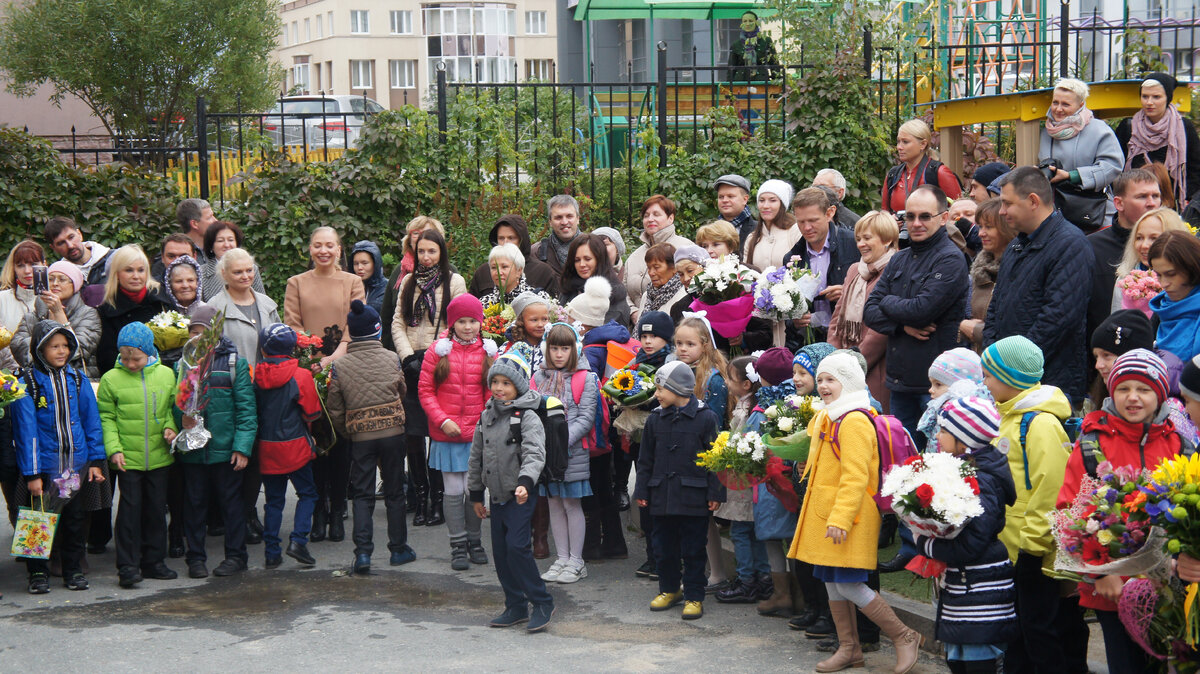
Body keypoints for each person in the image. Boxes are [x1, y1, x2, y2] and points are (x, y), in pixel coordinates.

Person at [788, 351, 923, 674]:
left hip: (847, 517)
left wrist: (841, 518)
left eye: (830, 379)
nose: (822, 385)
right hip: (827, 514)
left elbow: (856, 475)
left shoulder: (854, 420)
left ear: (848, 383)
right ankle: (850, 648)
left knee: (848, 584)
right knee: (833, 583)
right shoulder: (831, 415)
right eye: (820, 379)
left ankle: (904, 635)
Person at [1057, 350, 1181, 672]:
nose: (1133, 398)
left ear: (1161, 393)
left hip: (1168, 584)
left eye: (1144, 389)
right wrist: (1103, 572)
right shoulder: (1093, 442)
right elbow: (1071, 509)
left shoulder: (1178, 443)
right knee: (1126, 664)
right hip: (1113, 589)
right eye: (1123, 388)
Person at [982, 335, 1089, 674]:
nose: (984, 382)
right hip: (1010, 546)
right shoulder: (1008, 416)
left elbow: (1051, 489)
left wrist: (1032, 546)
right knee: (1019, 631)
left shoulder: (1038, 423)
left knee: (1039, 633)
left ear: (1010, 378)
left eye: (989, 374)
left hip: (1034, 552)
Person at [864, 185, 970, 443]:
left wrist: (888, 301)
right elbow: (869, 311)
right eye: (910, 216)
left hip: (936, 387)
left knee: (934, 463)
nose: (916, 223)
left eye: (925, 216)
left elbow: (921, 311)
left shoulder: (950, 259)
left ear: (944, 218)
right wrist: (902, 327)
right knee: (903, 460)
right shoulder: (899, 259)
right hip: (900, 382)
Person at [986, 166, 1097, 405]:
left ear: (1033, 201)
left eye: (1007, 203)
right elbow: (997, 305)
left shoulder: (1071, 245)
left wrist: (1012, 365)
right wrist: (992, 359)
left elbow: (1058, 317)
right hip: (1009, 380)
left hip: (1049, 385)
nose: (1002, 211)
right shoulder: (1018, 244)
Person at [924, 396, 1018, 674]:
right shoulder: (964, 469)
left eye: (943, 430)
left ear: (965, 440)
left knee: (978, 661)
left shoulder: (983, 480)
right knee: (958, 658)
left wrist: (925, 544)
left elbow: (972, 544)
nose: (937, 436)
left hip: (981, 585)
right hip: (965, 584)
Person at [13, 320, 107, 594]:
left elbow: (91, 421)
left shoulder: (77, 379)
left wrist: (96, 461)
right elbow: (26, 431)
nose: (62, 351)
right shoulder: (27, 382)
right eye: (54, 346)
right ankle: (38, 574)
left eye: (65, 345)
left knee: (74, 521)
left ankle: (73, 570)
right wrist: (32, 474)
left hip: (74, 467)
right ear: (39, 349)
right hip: (44, 468)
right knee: (37, 521)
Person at [284, 226, 365, 543]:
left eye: (329, 245)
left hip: (344, 366)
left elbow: (356, 324)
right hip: (309, 369)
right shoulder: (297, 283)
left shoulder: (352, 282)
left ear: (339, 249)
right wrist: (311, 359)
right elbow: (292, 324)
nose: (323, 250)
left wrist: (335, 357)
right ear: (310, 249)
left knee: (342, 441)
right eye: (317, 245)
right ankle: (318, 511)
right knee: (315, 440)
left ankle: (337, 513)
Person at [326, 300, 416, 574]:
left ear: (351, 334)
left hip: (361, 436)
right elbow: (401, 390)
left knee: (363, 495)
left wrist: (350, 430)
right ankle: (398, 549)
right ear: (378, 331)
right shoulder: (391, 357)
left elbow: (335, 407)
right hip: (392, 434)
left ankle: (363, 554)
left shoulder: (340, 366)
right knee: (394, 492)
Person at [469, 353, 556, 633]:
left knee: (518, 548)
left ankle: (542, 601)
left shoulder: (527, 416)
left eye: (506, 383)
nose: (499, 388)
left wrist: (526, 482)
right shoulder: (487, 415)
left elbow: (535, 453)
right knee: (502, 553)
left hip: (521, 494)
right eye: (494, 381)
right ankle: (515, 605)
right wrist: (474, 493)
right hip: (496, 496)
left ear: (518, 386)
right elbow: (476, 456)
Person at [635, 360, 724, 620]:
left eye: (661, 389)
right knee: (663, 546)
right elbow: (645, 459)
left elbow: (715, 458)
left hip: (693, 495)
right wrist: (642, 489)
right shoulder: (655, 419)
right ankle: (669, 589)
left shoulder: (705, 417)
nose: (657, 394)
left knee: (694, 548)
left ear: (678, 390)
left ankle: (694, 595)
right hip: (661, 494)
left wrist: (715, 493)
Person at [173, 305, 256, 579]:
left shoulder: (234, 364)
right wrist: (180, 418)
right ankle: (195, 558)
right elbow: (175, 405)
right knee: (194, 505)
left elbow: (246, 410)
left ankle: (236, 556)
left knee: (231, 506)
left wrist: (242, 448)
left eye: (204, 332)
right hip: (194, 452)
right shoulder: (183, 365)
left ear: (216, 334)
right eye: (193, 332)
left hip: (225, 451)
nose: (198, 338)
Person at [391, 229, 464, 528]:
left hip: (440, 361)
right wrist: (408, 357)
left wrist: (433, 356)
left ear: (441, 252)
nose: (426, 256)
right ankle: (419, 498)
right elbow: (397, 322)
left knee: (436, 433)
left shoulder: (453, 281)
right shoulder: (408, 281)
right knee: (413, 435)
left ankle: (438, 499)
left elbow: (457, 322)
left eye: (432, 251)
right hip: (410, 363)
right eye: (421, 251)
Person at [98, 322, 179, 588]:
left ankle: (154, 561)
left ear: (149, 353)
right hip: (128, 459)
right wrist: (114, 449)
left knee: (156, 510)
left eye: (137, 359)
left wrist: (170, 426)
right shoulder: (111, 379)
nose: (131, 364)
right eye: (125, 358)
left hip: (159, 456)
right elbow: (106, 418)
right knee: (129, 512)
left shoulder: (166, 374)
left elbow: (171, 407)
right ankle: (128, 566)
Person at [419, 294, 495, 571]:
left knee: (473, 488)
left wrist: (483, 423)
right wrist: (441, 420)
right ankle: (457, 544)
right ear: (452, 324)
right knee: (452, 489)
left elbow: (492, 392)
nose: (467, 327)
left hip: (476, 434)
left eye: (472, 321)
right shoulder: (437, 351)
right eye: (461, 321)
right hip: (447, 433)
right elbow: (426, 391)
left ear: (480, 322)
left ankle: (475, 541)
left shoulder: (487, 352)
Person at [252, 323, 322, 570]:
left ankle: (272, 552)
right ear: (293, 347)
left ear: (263, 347)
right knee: (308, 493)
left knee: (273, 500)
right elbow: (312, 413)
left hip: (267, 447)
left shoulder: (256, 374)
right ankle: (298, 541)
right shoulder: (300, 375)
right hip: (295, 446)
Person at [534, 323, 596, 585]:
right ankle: (561, 558)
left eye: (565, 348)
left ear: (575, 349)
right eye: (554, 348)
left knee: (571, 504)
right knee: (553, 504)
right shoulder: (538, 377)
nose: (559, 354)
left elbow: (586, 418)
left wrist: (559, 442)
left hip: (572, 452)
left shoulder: (586, 377)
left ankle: (576, 561)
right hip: (545, 453)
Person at [712, 355, 770, 604]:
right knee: (752, 532)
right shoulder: (746, 405)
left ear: (746, 384)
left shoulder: (748, 411)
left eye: (729, 377)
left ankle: (748, 581)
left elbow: (744, 444)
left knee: (741, 532)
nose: (726, 381)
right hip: (747, 482)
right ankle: (762, 580)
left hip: (744, 484)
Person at [829, 211, 900, 412]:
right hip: (844, 363)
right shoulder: (854, 269)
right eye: (858, 238)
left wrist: (855, 363)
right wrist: (834, 359)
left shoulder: (895, 270)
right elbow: (837, 317)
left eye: (867, 238)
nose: (861, 244)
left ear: (887, 240)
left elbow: (882, 328)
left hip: (875, 366)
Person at [1038, 77, 1124, 233]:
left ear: (1081, 105)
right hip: (1056, 210)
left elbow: (1113, 165)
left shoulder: (1099, 130)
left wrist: (1072, 176)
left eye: (1065, 104)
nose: (1058, 109)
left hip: (1092, 213)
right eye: (1055, 102)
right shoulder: (1046, 132)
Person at [785, 187, 860, 344]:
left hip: (847, 339)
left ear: (830, 213)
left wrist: (847, 293)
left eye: (813, 220)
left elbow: (877, 291)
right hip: (810, 342)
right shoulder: (791, 259)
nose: (806, 228)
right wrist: (795, 321)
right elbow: (786, 310)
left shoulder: (855, 244)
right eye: (801, 222)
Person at [1116, 72, 1200, 205]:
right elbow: (1117, 166)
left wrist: (1187, 197)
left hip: (1173, 202)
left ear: (1168, 98)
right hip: (1136, 202)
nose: (1149, 102)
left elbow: (1195, 167)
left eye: (1156, 97)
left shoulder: (1183, 127)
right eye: (1145, 96)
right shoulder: (1128, 127)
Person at [10, 260, 101, 380]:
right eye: (51, 279)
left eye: (62, 279)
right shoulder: (32, 316)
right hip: (40, 382)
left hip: (77, 381)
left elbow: (78, 352)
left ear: (74, 285)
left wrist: (59, 313)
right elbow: (18, 346)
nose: (55, 284)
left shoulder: (88, 313)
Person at [94, 244, 172, 376]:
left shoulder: (162, 299)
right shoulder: (107, 309)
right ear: (117, 274)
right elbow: (106, 357)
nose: (136, 276)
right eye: (129, 270)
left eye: (141, 270)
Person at [206, 248, 280, 367]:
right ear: (224, 273)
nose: (245, 276)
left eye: (249, 270)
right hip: (232, 382)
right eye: (238, 272)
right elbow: (206, 353)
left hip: (269, 381)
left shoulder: (268, 304)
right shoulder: (214, 307)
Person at [959, 199, 1016, 353]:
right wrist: (962, 326)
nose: (981, 233)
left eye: (989, 227)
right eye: (980, 226)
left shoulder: (1018, 271)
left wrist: (977, 331)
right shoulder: (979, 271)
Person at [383, 215, 447, 350]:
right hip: (402, 354)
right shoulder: (400, 273)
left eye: (428, 233)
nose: (422, 238)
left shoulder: (450, 274)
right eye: (416, 233)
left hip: (439, 354)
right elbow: (388, 317)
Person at [1112, 207, 1192, 312]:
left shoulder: (1189, 280)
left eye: (1154, 238)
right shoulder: (1125, 279)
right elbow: (1116, 318)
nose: (1144, 245)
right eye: (1139, 238)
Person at [468, 214, 560, 300]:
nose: (506, 242)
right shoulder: (483, 272)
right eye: (501, 238)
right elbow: (472, 308)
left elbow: (553, 310)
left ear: (522, 240)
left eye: (511, 238)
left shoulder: (543, 272)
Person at [624, 195, 692, 310]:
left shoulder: (686, 248)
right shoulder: (634, 257)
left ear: (670, 218)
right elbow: (624, 292)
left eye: (656, 214)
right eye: (646, 215)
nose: (650, 219)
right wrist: (634, 312)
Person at [882, 119, 963, 213]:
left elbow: (959, 212)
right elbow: (885, 213)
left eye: (905, 142)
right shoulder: (893, 175)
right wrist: (891, 220)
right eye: (898, 141)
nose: (899, 147)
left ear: (923, 144)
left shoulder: (939, 172)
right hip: (898, 228)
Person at [559, 234, 630, 329]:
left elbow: (608, 332)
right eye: (577, 260)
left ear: (599, 259)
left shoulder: (614, 293)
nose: (582, 264)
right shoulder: (569, 288)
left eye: (587, 259)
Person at [1149, 230, 1200, 361]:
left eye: (1171, 274)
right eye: (1158, 275)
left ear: (1191, 268)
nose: (1163, 284)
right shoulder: (1162, 308)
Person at [44, 216, 113, 294]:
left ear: (79, 234)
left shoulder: (115, 259)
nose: (70, 246)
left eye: (71, 237)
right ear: (53, 248)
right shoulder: (57, 278)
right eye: (61, 243)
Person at [199, 221, 265, 301]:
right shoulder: (201, 273)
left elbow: (262, 300)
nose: (227, 245)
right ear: (211, 246)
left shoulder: (252, 268)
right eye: (220, 241)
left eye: (230, 240)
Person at [743, 180, 799, 271]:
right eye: (761, 200)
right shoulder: (752, 238)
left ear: (782, 204)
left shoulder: (795, 231)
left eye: (772, 200)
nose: (765, 205)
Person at [531, 195, 584, 280]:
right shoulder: (536, 253)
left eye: (569, 216)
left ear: (578, 219)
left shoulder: (594, 248)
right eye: (558, 217)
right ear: (550, 222)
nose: (564, 222)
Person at [0, 240, 45, 342]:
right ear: (14, 268)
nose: (27, 271)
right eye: (20, 265)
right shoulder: (2, 299)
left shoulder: (55, 298)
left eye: (33, 264)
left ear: (44, 264)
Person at [501, 292, 554, 376]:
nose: (540, 324)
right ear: (521, 321)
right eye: (534, 320)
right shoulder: (509, 347)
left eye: (544, 319)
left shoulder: (553, 346)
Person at [477, 243, 538, 308]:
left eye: (504, 267)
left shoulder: (536, 299)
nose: (499, 272)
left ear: (519, 270)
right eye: (494, 268)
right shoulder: (484, 303)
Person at [636, 243, 686, 319]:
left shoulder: (682, 296)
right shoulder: (647, 296)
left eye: (656, 267)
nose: (651, 273)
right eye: (649, 268)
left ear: (674, 268)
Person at [727, 10, 777, 81]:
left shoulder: (765, 41)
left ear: (756, 23)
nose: (747, 24)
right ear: (741, 24)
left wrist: (777, 84)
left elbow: (774, 64)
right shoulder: (736, 44)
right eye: (745, 21)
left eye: (750, 21)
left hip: (761, 83)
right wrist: (728, 88)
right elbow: (731, 69)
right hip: (741, 84)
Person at [713, 174, 757, 246]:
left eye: (730, 196)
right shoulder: (710, 231)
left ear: (745, 199)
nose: (725, 200)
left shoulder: (759, 230)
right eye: (721, 197)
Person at [349, 240, 387, 314]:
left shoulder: (387, 288)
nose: (359, 267)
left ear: (375, 264)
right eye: (356, 263)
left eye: (364, 263)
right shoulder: (348, 288)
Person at [176, 198, 217, 264]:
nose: (215, 220)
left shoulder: (218, 248)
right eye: (209, 217)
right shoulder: (175, 253)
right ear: (194, 224)